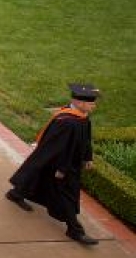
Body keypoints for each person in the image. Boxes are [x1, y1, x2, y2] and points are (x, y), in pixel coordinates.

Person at [6, 83, 101, 246]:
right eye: (91, 103)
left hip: (68, 163)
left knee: (39, 179)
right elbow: (59, 148)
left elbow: (85, 140)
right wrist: (61, 169)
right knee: (67, 196)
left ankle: (15, 194)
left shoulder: (81, 118)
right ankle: (75, 230)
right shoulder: (68, 121)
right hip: (62, 166)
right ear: (79, 103)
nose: (94, 106)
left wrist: (88, 157)